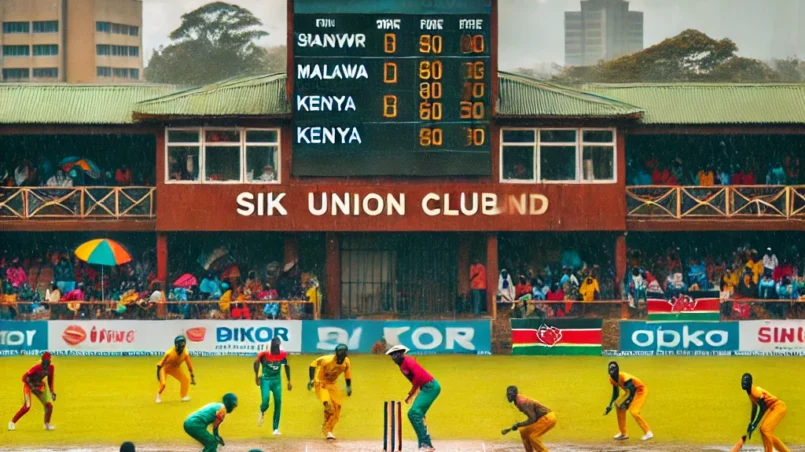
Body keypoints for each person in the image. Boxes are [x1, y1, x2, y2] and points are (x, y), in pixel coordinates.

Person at [386, 345, 441, 452]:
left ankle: (425, 445)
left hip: (430, 387)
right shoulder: (402, 365)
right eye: (391, 356)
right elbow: (416, 379)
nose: (393, 358)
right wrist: (416, 391)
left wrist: (411, 393)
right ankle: (426, 444)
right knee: (418, 415)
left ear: (400, 354)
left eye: (394, 355)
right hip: (425, 387)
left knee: (414, 413)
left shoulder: (408, 361)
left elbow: (418, 376)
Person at [308, 343, 352, 440]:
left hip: (332, 384)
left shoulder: (346, 362)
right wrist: (311, 380)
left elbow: (347, 375)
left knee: (337, 406)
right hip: (320, 383)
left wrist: (348, 386)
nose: (340, 358)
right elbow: (312, 364)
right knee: (328, 404)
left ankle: (328, 427)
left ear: (345, 354)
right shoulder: (326, 360)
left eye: (342, 355)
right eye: (338, 354)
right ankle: (327, 430)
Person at [604, 361, 652, 441]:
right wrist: (610, 405)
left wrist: (626, 402)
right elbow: (615, 393)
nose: (612, 375)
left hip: (640, 391)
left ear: (617, 371)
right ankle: (623, 433)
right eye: (611, 373)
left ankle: (648, 432)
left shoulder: (625, 378)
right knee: (618, 407)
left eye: (614, 373)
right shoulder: (612, 378)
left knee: (634, 411)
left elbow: (632, 392)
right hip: (630, 392)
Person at [741, 373, 790, 452]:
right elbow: (754, 408)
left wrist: (755, 424)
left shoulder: (755, 392)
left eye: (745, 381)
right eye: (742, 381)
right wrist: (751, 423)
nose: (743, 383)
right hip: (773, 408)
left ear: (750, 382)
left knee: (765, 429)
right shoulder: (750, 392)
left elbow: (762, 408)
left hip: (779, 407)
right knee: (765, 431)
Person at [8, 352, 56, 431]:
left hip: (39, 386)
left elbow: (50, 380)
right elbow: (24, 378)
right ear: (42, 361)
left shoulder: (51, 368)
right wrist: (32, 387)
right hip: (28, 385)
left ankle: (47, 425)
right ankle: (12, 422)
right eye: (44, 362)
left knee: (49, 405)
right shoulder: (36, 368)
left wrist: (52, 392)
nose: (46, 364)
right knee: (27, 406)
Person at [254, 337, 291, 435]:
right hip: (265, 379)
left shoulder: (282, 354)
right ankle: (262, 410)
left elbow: (286, 366)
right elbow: (256, 363)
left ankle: (275, 429)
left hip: (277, 380)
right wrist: (256, 377)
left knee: (278, 402)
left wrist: (289, 381)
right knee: (265, 401)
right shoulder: (264, 354)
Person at [502, 386, 557, 452]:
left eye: (511, 394)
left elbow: (532, 419)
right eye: (508, 394)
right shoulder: (518, 399)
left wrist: (518, 424)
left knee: (533, 437)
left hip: (548, 418)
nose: (509, 397)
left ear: (515, 394)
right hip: (542, 418)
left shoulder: (522, 402)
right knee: (524, 432)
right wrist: (518, 425)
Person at [156, 335, 196, 403]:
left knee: (185, 380)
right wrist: (158, 375)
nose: (182, 347)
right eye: (180, 345)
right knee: (163, 384)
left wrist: (192, 376)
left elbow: (189, 365)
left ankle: (184, 396)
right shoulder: (169, 353)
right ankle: (158, 396)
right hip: (164, 367)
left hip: (175, 368)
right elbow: (160, 364)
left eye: (183, 345)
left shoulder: (185, 353)